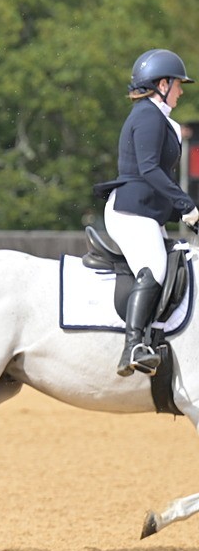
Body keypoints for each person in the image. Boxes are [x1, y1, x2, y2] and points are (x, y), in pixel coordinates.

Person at [95, 48, 199, 376]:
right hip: (131, 213)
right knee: (154, 267)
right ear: (163, 84)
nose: (182, 91)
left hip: (147, 212)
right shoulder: (147, 116)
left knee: (173, 266)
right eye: (178, 85)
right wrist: (186, 206)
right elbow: (150, 171)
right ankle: (133, 346)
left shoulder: (158, 117)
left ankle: (156, 337)